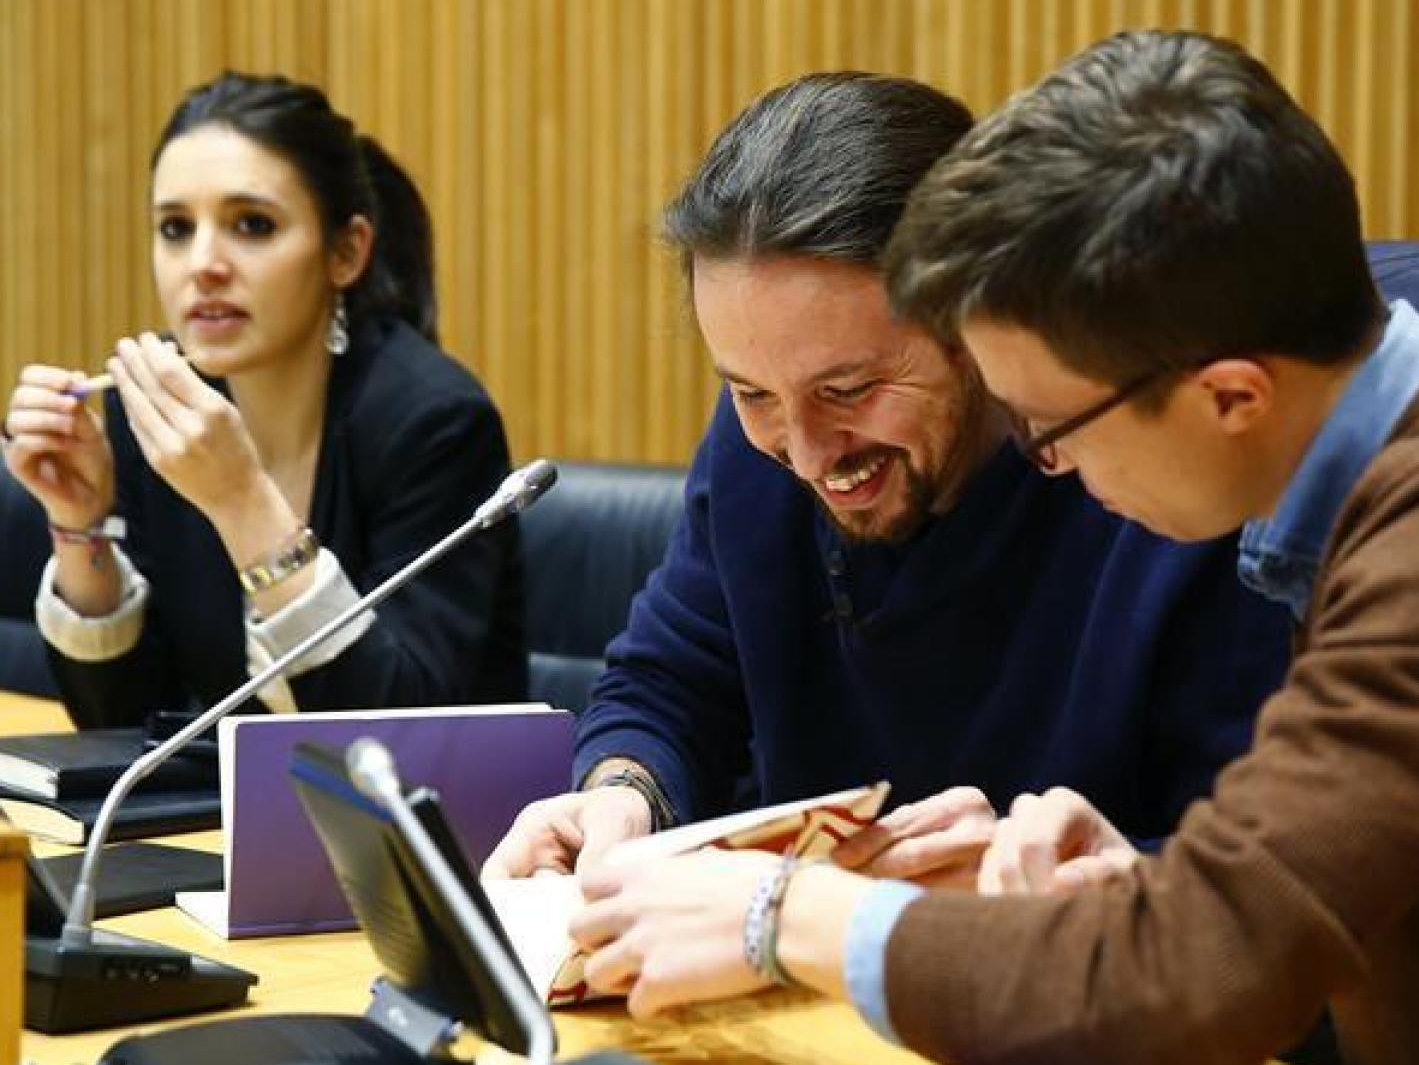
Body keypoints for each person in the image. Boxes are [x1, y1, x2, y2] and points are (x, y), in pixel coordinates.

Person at [567, 32, 1419, 1065]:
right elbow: (1284, 914)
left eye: (1054, 426)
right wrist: (1132, 889)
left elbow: (1183, 985)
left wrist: (781, 910)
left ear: (1227, 396)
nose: (1049, 465)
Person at [484, 71, 1298, 885]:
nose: (805, 453)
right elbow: (671, 678)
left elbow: (1268, 871)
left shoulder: (1158, 482)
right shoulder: (753, 449)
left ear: (976, 322)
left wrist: (1049, 881)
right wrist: (624, 795)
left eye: (851, 391)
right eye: (751, 392)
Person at [1, 72, 525, 725]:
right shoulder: (162, 408)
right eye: (175, 228)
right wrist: (81, 527)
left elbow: (398, 728)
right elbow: (128, 725)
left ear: (346, 252)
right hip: (219, 824)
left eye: (251, 225)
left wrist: (241, 503)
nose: (203, 264)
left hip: (444, 821)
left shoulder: (434, 421)